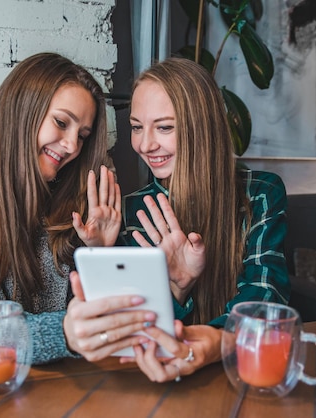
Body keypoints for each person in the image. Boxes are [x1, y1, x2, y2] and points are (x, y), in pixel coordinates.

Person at [0, 52, 151, 368]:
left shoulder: (67, 202)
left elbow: (100, 319)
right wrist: (63, 333)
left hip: (40, 381)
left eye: (82, 136)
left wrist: (100, 252)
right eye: (62, 123)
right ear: (22, 109)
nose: (73, 146)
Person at [64, 57, 290, 382]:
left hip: (242, 368)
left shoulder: (260, 192)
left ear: (202, 125)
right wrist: (174, 286)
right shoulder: (129, 211)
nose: (145, 144)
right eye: (137, 127)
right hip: (158, 375)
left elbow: (264, 294)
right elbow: (134, 331)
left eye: (165, 127)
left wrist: (213, 343)